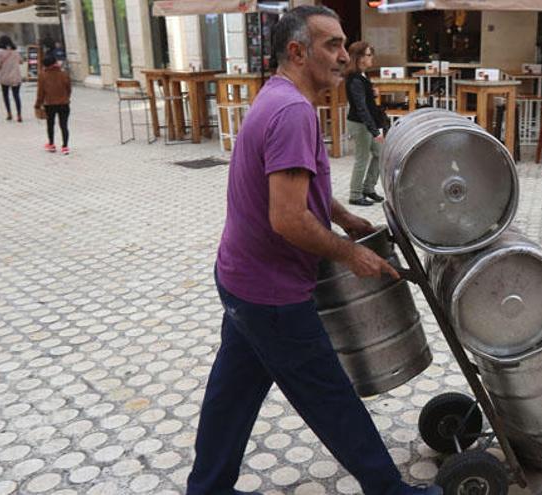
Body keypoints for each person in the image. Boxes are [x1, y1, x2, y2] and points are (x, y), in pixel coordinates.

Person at [185, 7, 441, 495]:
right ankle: (388, 490)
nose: (344, 56)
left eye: (344, 44)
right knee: (330, 396)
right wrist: (351, 254)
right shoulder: (293, 111)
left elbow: (294, 186)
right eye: (331, 45)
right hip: (272, 293)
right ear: (297, 51)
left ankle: (208, 488)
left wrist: (342, 216)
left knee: (232, 393)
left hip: (240, 278)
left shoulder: (278, 97)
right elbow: (287, 218)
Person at [345, 41, 385, 207]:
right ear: (359, 58)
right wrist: (375, 131)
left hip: (365, 123)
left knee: (379, 154)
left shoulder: (362, 76)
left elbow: (365, 102)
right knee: (362, 159)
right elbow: (361, 109)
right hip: (359, 124)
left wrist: (372, 94)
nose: (371, 58)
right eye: (368, 55)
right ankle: (355, 195)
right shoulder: (355, 80)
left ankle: (368, 188)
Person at [34, 55, 72, 155]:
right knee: (64, 125)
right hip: (64, 103)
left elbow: (40, 92)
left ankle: (51, 144)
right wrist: (66, 98)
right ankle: (65, 146)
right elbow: (69, 88)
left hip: (49, 104)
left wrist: (38, 104)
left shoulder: (43, 75)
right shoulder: (64, 74)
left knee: (50, 124)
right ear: (55, 62)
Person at [0, 35, 23, 122]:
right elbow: (21, 61)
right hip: (15, 76)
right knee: (16, 96)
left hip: (4, 77)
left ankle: (9, 113)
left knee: (6, 95)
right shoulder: (15, 51)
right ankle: (19, 114)